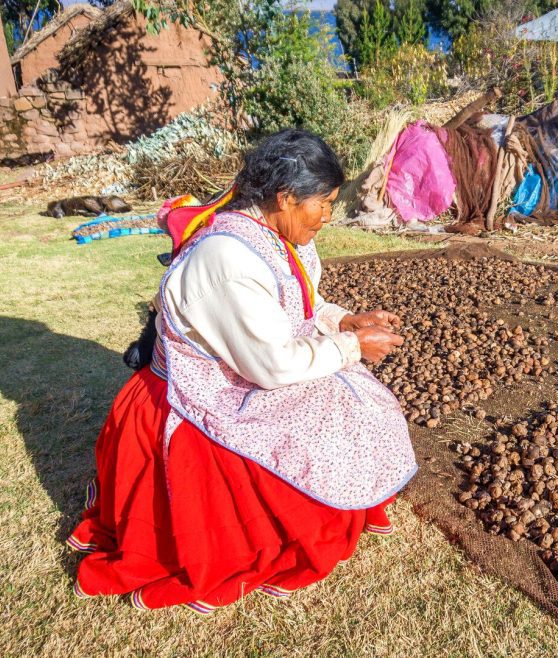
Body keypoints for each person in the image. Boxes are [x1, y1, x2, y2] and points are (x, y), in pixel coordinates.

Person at [68, 129, 417, 613]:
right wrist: (351, 346)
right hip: (201, 392)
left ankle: (340, 502)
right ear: (285, 197)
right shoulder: (227, 259)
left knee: (355, 399)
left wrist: (343, 321)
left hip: (251, 362)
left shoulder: (278, 233)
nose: (329, 216)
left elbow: (298, 303)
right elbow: (272, 365)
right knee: (320, 411)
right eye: (324, 203)